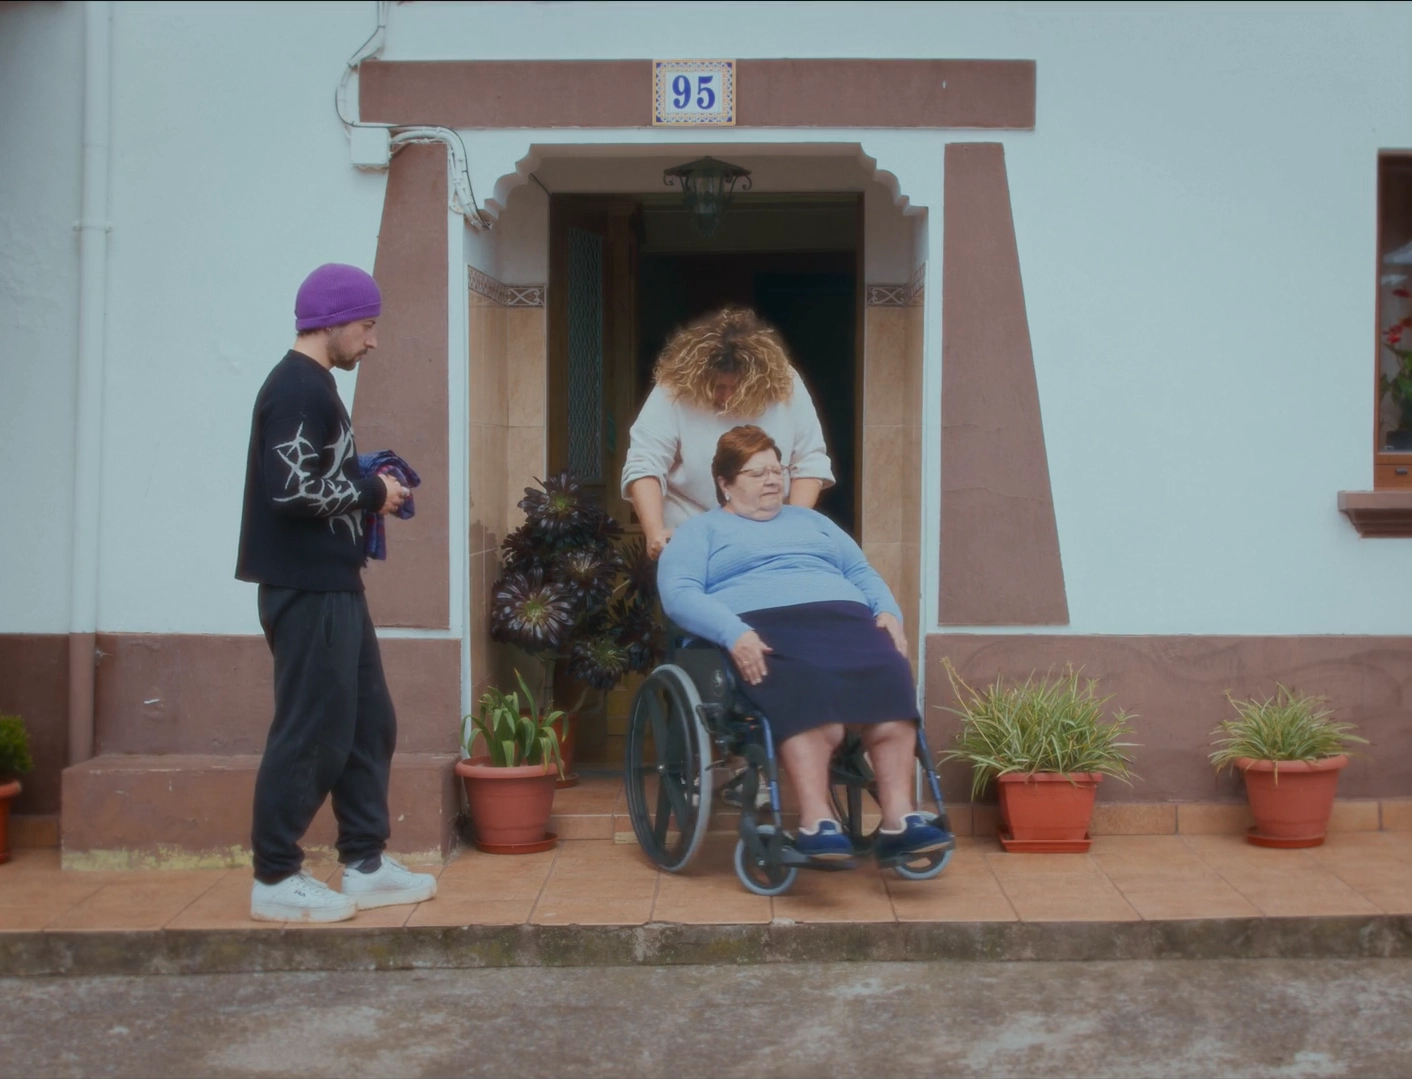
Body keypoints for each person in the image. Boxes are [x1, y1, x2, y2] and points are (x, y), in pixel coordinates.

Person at [235, 263, 437, 922]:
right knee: (312, 730)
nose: (372, 340)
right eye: (368, 325)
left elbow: (311, 475)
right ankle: (274, 875)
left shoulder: (315, 386)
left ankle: (365, 862)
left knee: (366, 722)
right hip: (307, 586)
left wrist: (362, 475)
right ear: (334, 320)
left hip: (334, 583)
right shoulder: (298, 387)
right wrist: (371, 490)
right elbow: (289, 489)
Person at [657, 425, 953, 862]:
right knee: (808, 690)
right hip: (762, 627)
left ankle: (898, 818)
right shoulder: (700, 532)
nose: (772, 480)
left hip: (844, 621)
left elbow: (861, 572)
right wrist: (733, 631)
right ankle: (817, 822)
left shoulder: (814, 522)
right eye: (757, 473)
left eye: (776, 470)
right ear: (725, 483)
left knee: (888, 672)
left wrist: (889, 612)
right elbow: (679, 593)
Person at [622, 306, 834, 560]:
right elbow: (644, 462)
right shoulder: (676, 384)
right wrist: (655, 532)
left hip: (771, 535)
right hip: (692, 532)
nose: (725, 396)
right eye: (717, 386)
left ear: (757, 380)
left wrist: (790, 528)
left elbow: (810, 461)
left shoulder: (784, 382)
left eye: (736, 387)